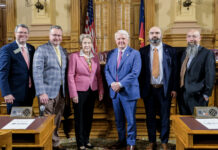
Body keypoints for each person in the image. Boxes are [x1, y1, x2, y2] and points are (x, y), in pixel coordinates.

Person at [139, 26, 177, 150]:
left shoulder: (170, 50)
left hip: (164, 89)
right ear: (148, 36)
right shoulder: (142, 51)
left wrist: (174, 88)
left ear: (161, 35)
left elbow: (175, 71)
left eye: (157, 33)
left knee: (165, 116)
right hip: (148, 89)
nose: (154, 35)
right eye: (152, 33)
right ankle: (152, 141)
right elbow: (140, 73)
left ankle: (164, 141)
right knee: (150, 116)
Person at [105, 30, 141, 150]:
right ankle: (121, 141)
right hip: (115, 93)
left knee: (130, 120)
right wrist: (112, 84)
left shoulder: (135, 53)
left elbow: (135, 72)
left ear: (128, 39)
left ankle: (131, 143)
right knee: (118, 119)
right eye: (119, 39)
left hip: (128, 92)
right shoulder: (112, 53)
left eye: (123, 39)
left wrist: (120, 84)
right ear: (115, 40)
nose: (121, 41)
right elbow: (107, 71)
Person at [33, 25, 67, 150]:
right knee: (46, 121)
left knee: (57, 119)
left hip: (61, 92)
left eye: (59, 35)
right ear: (49, 36)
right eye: (54, 35)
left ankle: (54, 144)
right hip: (46, 92)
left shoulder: (63, 51)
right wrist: (41, 92)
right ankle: (46, 145)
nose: (57, 37)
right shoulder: (42, 50)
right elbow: (37, 72)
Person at [68, 34, 104, 150]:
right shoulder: (75, 56)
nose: (87, 45)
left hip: (92, 91)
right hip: (79, 92)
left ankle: (87, 140)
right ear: (81, 45)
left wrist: (100, 90)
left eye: (89, 43)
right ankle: (80, 143)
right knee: (79, 118)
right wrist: (73, 94)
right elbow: (70, 75)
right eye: (85, 43)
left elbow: (98, 76)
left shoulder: (95, 57)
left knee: (89, 118)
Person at [179, 29, 216, 115]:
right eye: (189, 36)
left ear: (200, 38)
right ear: (186, 38)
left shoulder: (207, 53)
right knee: (185, 123)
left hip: (198, 95)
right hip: (183, 95)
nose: (191, 39)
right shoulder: (184, 53)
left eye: (194, 36)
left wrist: (206, 94)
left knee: (198, 124)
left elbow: (210, 74)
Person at [0, 24, 35, 114]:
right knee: (15, 124)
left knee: (27, 122)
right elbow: (3, 72)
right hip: (14, 95)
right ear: (15, 33)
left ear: (28, 35)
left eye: (25, 33)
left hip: (29, 93)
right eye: (20, 32)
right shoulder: (7, 49)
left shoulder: (31, 48)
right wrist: (6, 93)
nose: (23, 35)